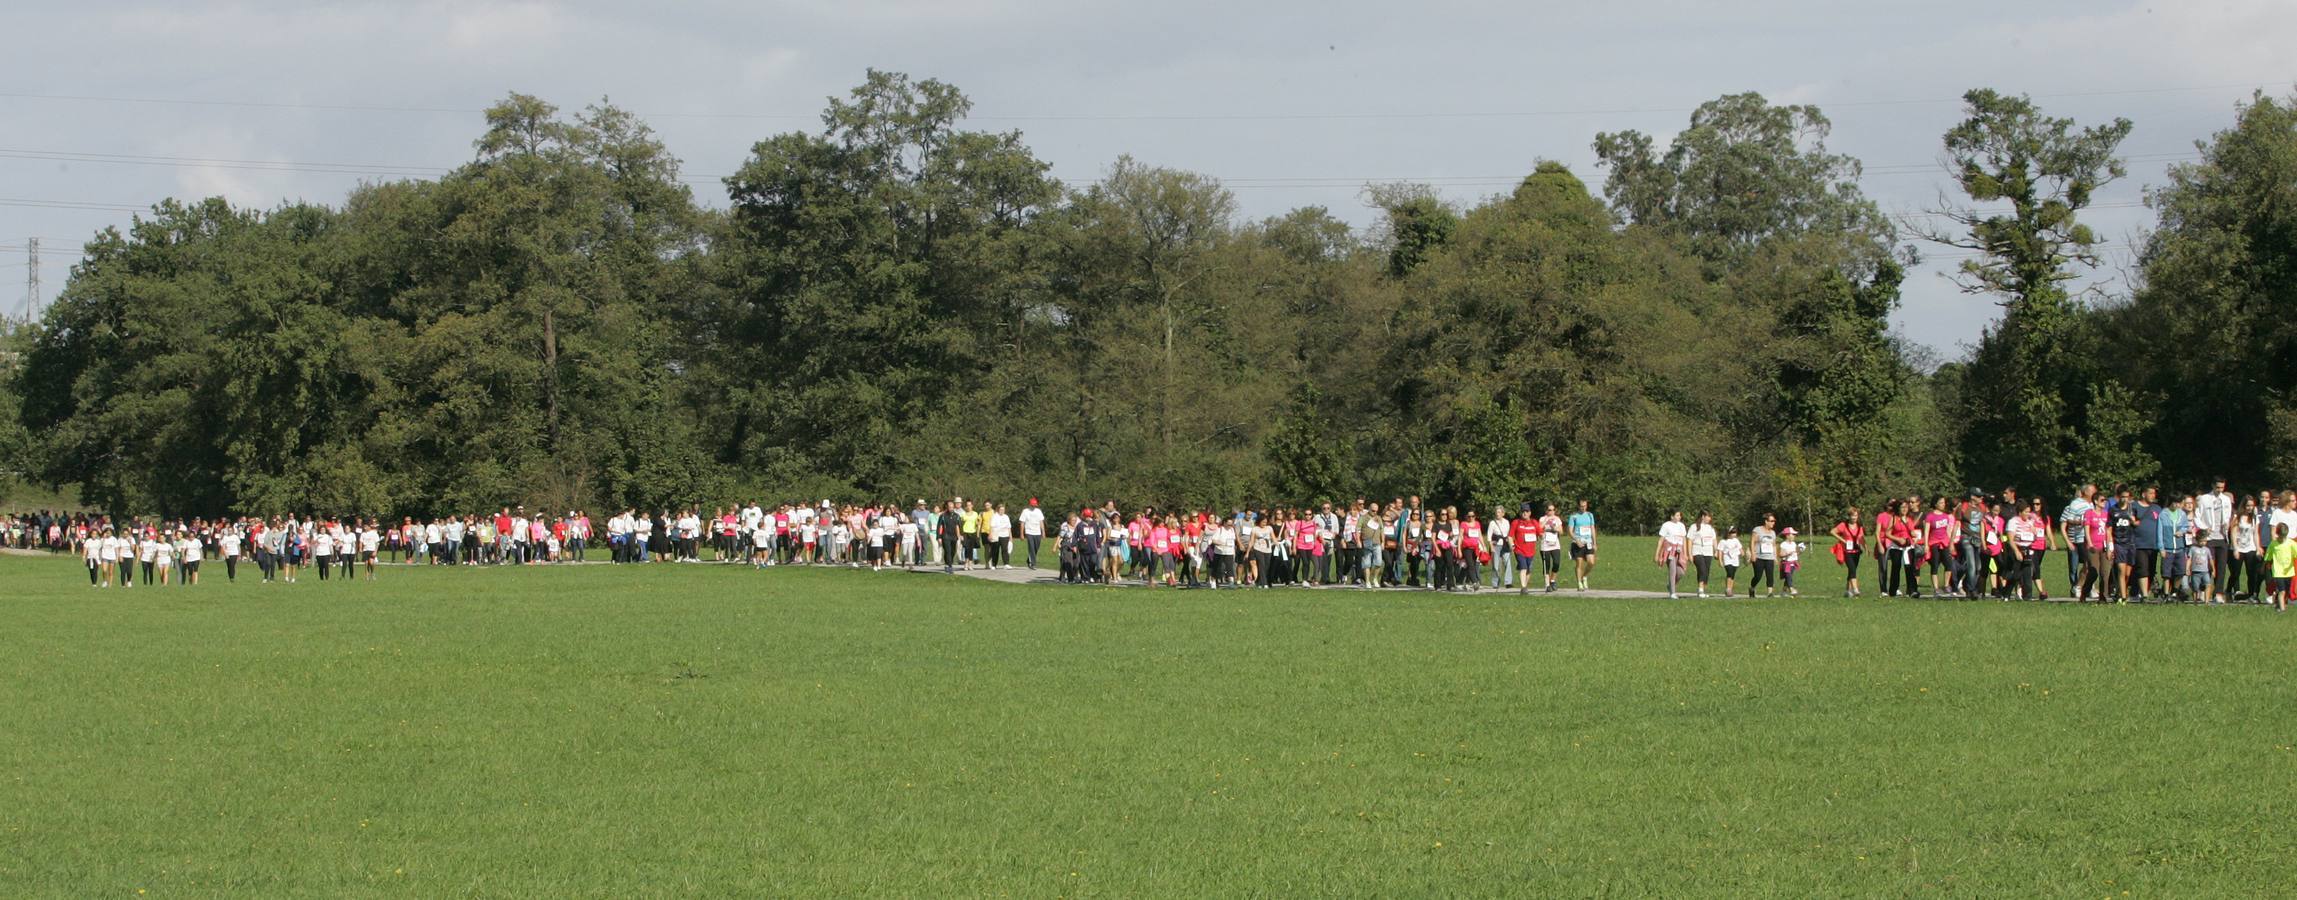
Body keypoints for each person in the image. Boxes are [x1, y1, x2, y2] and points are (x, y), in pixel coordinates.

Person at [1831, 507, 1865, 598]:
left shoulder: (1859, 526)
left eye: (1856, 516)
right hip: (1847, 551)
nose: (1854, 518)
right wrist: (1843, 540)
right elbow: (1833, 532)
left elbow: (1861, 538)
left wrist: (1865, 547)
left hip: (1856, 551)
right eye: (1852, 516)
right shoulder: (1843, 525)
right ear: (1849, 516)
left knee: (1852, 571)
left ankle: (1847, 591)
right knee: (1852, 569)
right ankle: (1855, 589)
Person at [1655, 510, 1687, 600]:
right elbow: (1661, 540)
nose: (1679, 517)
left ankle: (1670, 585)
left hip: (1679, 551)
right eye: (1677, 515)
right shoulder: (1666, 525)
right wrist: (1657, 554)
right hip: (1669, 551)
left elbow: (1684, 539)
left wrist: (1686, 553)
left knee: (1681, 572)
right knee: (1672, 571)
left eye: (1680, 515)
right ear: (1672, 516)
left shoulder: (1681, 526)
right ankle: (1672, 593)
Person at [1687, 512, 1718, 599]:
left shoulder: (1710, 528)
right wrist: (1689, 554)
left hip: (1708, 552)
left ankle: (1702, 590)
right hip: (1697, 551)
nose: (1709, 519)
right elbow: (1689, 540)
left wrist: (1716, 551)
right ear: (1703, 517)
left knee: (1706, 571)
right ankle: (1700, 590)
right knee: (1702, 569)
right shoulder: (1694, 526)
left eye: (1710, 517)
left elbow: (1714, 540)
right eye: (1708, 517)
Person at [1568, 500, 1597, 591]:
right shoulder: (1574, 516)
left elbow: (1592, 529)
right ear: (1578, 506)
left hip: (1588, 542)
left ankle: (1584, 577)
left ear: (1587, 506)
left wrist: (1595, 543)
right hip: (1578, 543)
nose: (1583, 507)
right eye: (1581, 506)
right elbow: (1569, 531)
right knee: (1579, 563)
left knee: (1591, 562)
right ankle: (1579, 583)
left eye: (1585, 506)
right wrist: (1576, 541)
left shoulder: (1590, 515)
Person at [1748, 513, 1779, 599]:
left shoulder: (1773, 533)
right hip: (1759, 557)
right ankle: (1752, 588)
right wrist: (1753, 554)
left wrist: (1775, 556)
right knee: (1758, 576)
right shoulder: (1757, 530)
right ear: (1766, 521)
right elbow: (1752, 542)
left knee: (1770, 575)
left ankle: (1770, 593)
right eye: (1772, 521)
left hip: (1769, 557)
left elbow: (1773, 545)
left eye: (1774, 521)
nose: (1773, 523)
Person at [2269, 524, 2297, 612]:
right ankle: (2283, 611)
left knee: (2286, 591)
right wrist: (2266, 564)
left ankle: (2278, 603)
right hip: (2278, 571)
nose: (2282, 538)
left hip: (2289, 572)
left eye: (2283, 536)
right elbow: (2268, 556)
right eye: (2280, 536)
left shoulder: (2291, 544)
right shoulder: (2274, 544)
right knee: (2282, 591)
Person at [1718, 526, 1743, 597]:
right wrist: (1720, 560)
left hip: (1735, 559)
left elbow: (1740, 549)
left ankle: (1730, 589)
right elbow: (1720, 551)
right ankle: (1728, 589)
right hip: (1727, 559)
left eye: (1735, 532)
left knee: (1733, 575)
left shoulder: (1736, 541)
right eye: (1732, 532)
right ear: (1728, 533)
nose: (1734, 534)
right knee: (1729, 572)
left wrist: (1743, 554)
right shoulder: (1723, 541)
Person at [1020, 499, 1045, 569]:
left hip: (1037, 532)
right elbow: (1022, 523)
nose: (1034, 507)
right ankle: (1033, 564)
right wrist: (1021, 534)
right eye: (1032, 505)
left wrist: (1043, 532)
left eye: (1035, 505)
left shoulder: (1038, 511)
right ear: (1030, 504)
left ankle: (1029, 559)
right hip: (1029, 532)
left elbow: (1041, 522)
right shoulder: (1025, 511)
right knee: (1031, 548)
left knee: (1036, 548)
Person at [1779, 527, 1801, 597]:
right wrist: (1787, 554)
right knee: (1788, 577)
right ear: (1787, 535)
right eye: (1793, 534)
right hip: (1786, 563)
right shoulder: (1783, 544)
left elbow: (1796, 553)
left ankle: (1784, 591)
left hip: (1793, 563)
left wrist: (1800, 550)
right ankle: (1791, 589)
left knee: (1788, 577)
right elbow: (1781, 554)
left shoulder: (1794, 544)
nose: (1794, 536)